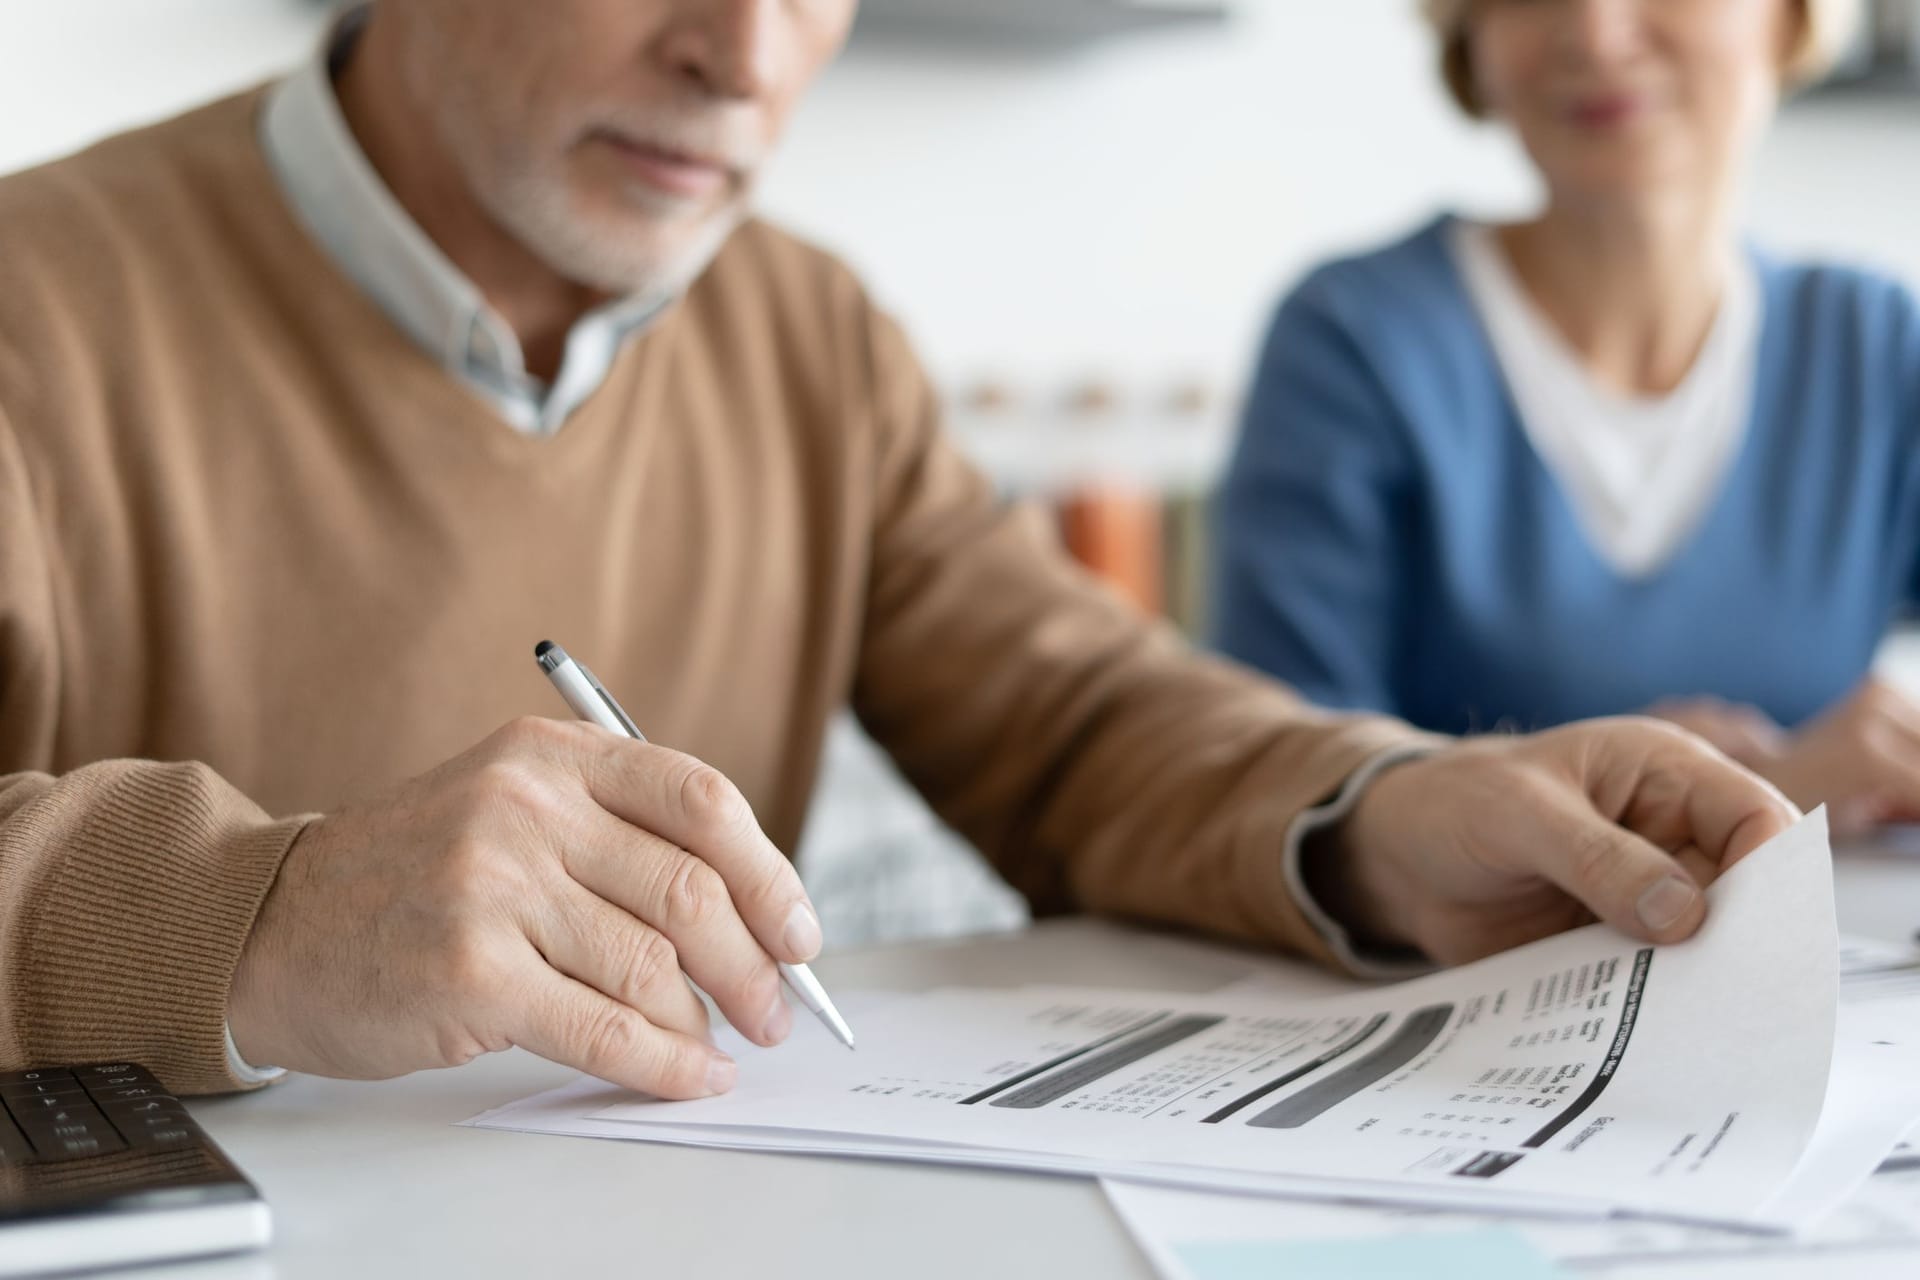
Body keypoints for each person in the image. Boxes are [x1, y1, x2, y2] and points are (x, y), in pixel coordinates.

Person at [0, 0, 1792, 1101]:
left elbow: (1074, 715)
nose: (752, 54)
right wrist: (262, 916)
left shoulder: (809, 333)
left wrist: (1385, 813)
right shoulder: (38, 308)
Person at [1215, 0, 1920, 836]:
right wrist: (1746, 796)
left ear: (1790, 20)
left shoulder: (1872, 345)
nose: (1596, 32)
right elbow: (1278, 789)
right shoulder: (1354, 341)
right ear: (1468, 38)